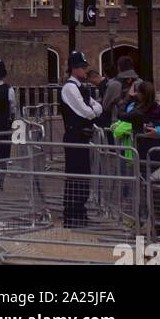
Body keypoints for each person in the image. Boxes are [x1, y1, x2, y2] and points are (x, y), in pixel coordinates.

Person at [60, 50, 102, 227]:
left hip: (82, 136)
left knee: (83, 175)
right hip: (74, 136)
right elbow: (86, 112)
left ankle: (80, 211)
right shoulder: (70, 88)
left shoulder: (80, 88)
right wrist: (93, 112)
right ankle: (71, 213)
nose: (86, 71)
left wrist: (93, 111)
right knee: (75, 175)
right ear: (74, 69)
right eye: (83, 67)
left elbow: (98, 107)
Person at [113, 79, 160, 162]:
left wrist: (128, 97)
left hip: (142, 148)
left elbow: (121, 115)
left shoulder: (138, 112)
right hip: (157, 147)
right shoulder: (157, 108)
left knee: (143, 171)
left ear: (140, 94)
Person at [100, 56, 139, 129]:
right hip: (137, 122)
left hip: (118, 124)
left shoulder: (114, 84)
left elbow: (105, 106)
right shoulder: (140, 83)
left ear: (119, 68)